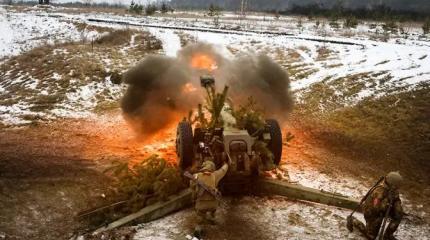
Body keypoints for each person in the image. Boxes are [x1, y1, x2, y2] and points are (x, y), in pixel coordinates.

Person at [348, 171, 404, 240]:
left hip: (382, 210)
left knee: (398, 215)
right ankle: (352, 220)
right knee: (371, 236)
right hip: (372, 213)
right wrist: (387, 205)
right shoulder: (379, 191)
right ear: (393, 184)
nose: (398, 188)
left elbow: (396, 200)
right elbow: (375, 207)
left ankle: (387, 236)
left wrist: (397, 208)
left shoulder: (393, 190)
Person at [190, 159, 228, 238]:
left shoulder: (196, 176)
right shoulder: (215, 175)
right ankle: (212, 218)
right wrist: (226, 164)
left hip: (201, 204)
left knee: (200, 215)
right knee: (213, 208)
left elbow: (192, 186)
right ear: (212, 167)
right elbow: (223, 170)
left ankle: (198, 229)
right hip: (213, 204)